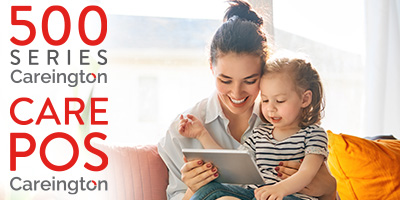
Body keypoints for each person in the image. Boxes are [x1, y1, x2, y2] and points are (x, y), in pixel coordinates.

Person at [157, 1, 337, 200]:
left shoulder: (286, 120)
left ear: (264, 72)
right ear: (211, 68)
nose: (236, 92)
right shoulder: (180, 132)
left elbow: (318, 187)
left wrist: (329, 190)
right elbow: (231, 163)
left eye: (250, 80)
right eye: (225, 80)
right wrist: (194, 188)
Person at [179, 51, 328, 200]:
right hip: (256, 195)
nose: (271, 108)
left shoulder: (314, 134)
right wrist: (201, 134)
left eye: (280, 101)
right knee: (210, 190)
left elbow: (307, 173)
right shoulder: (259, 135)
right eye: (265, 100)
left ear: (305, 99)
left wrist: (279, 189)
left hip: (291, 197)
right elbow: (232, 163)